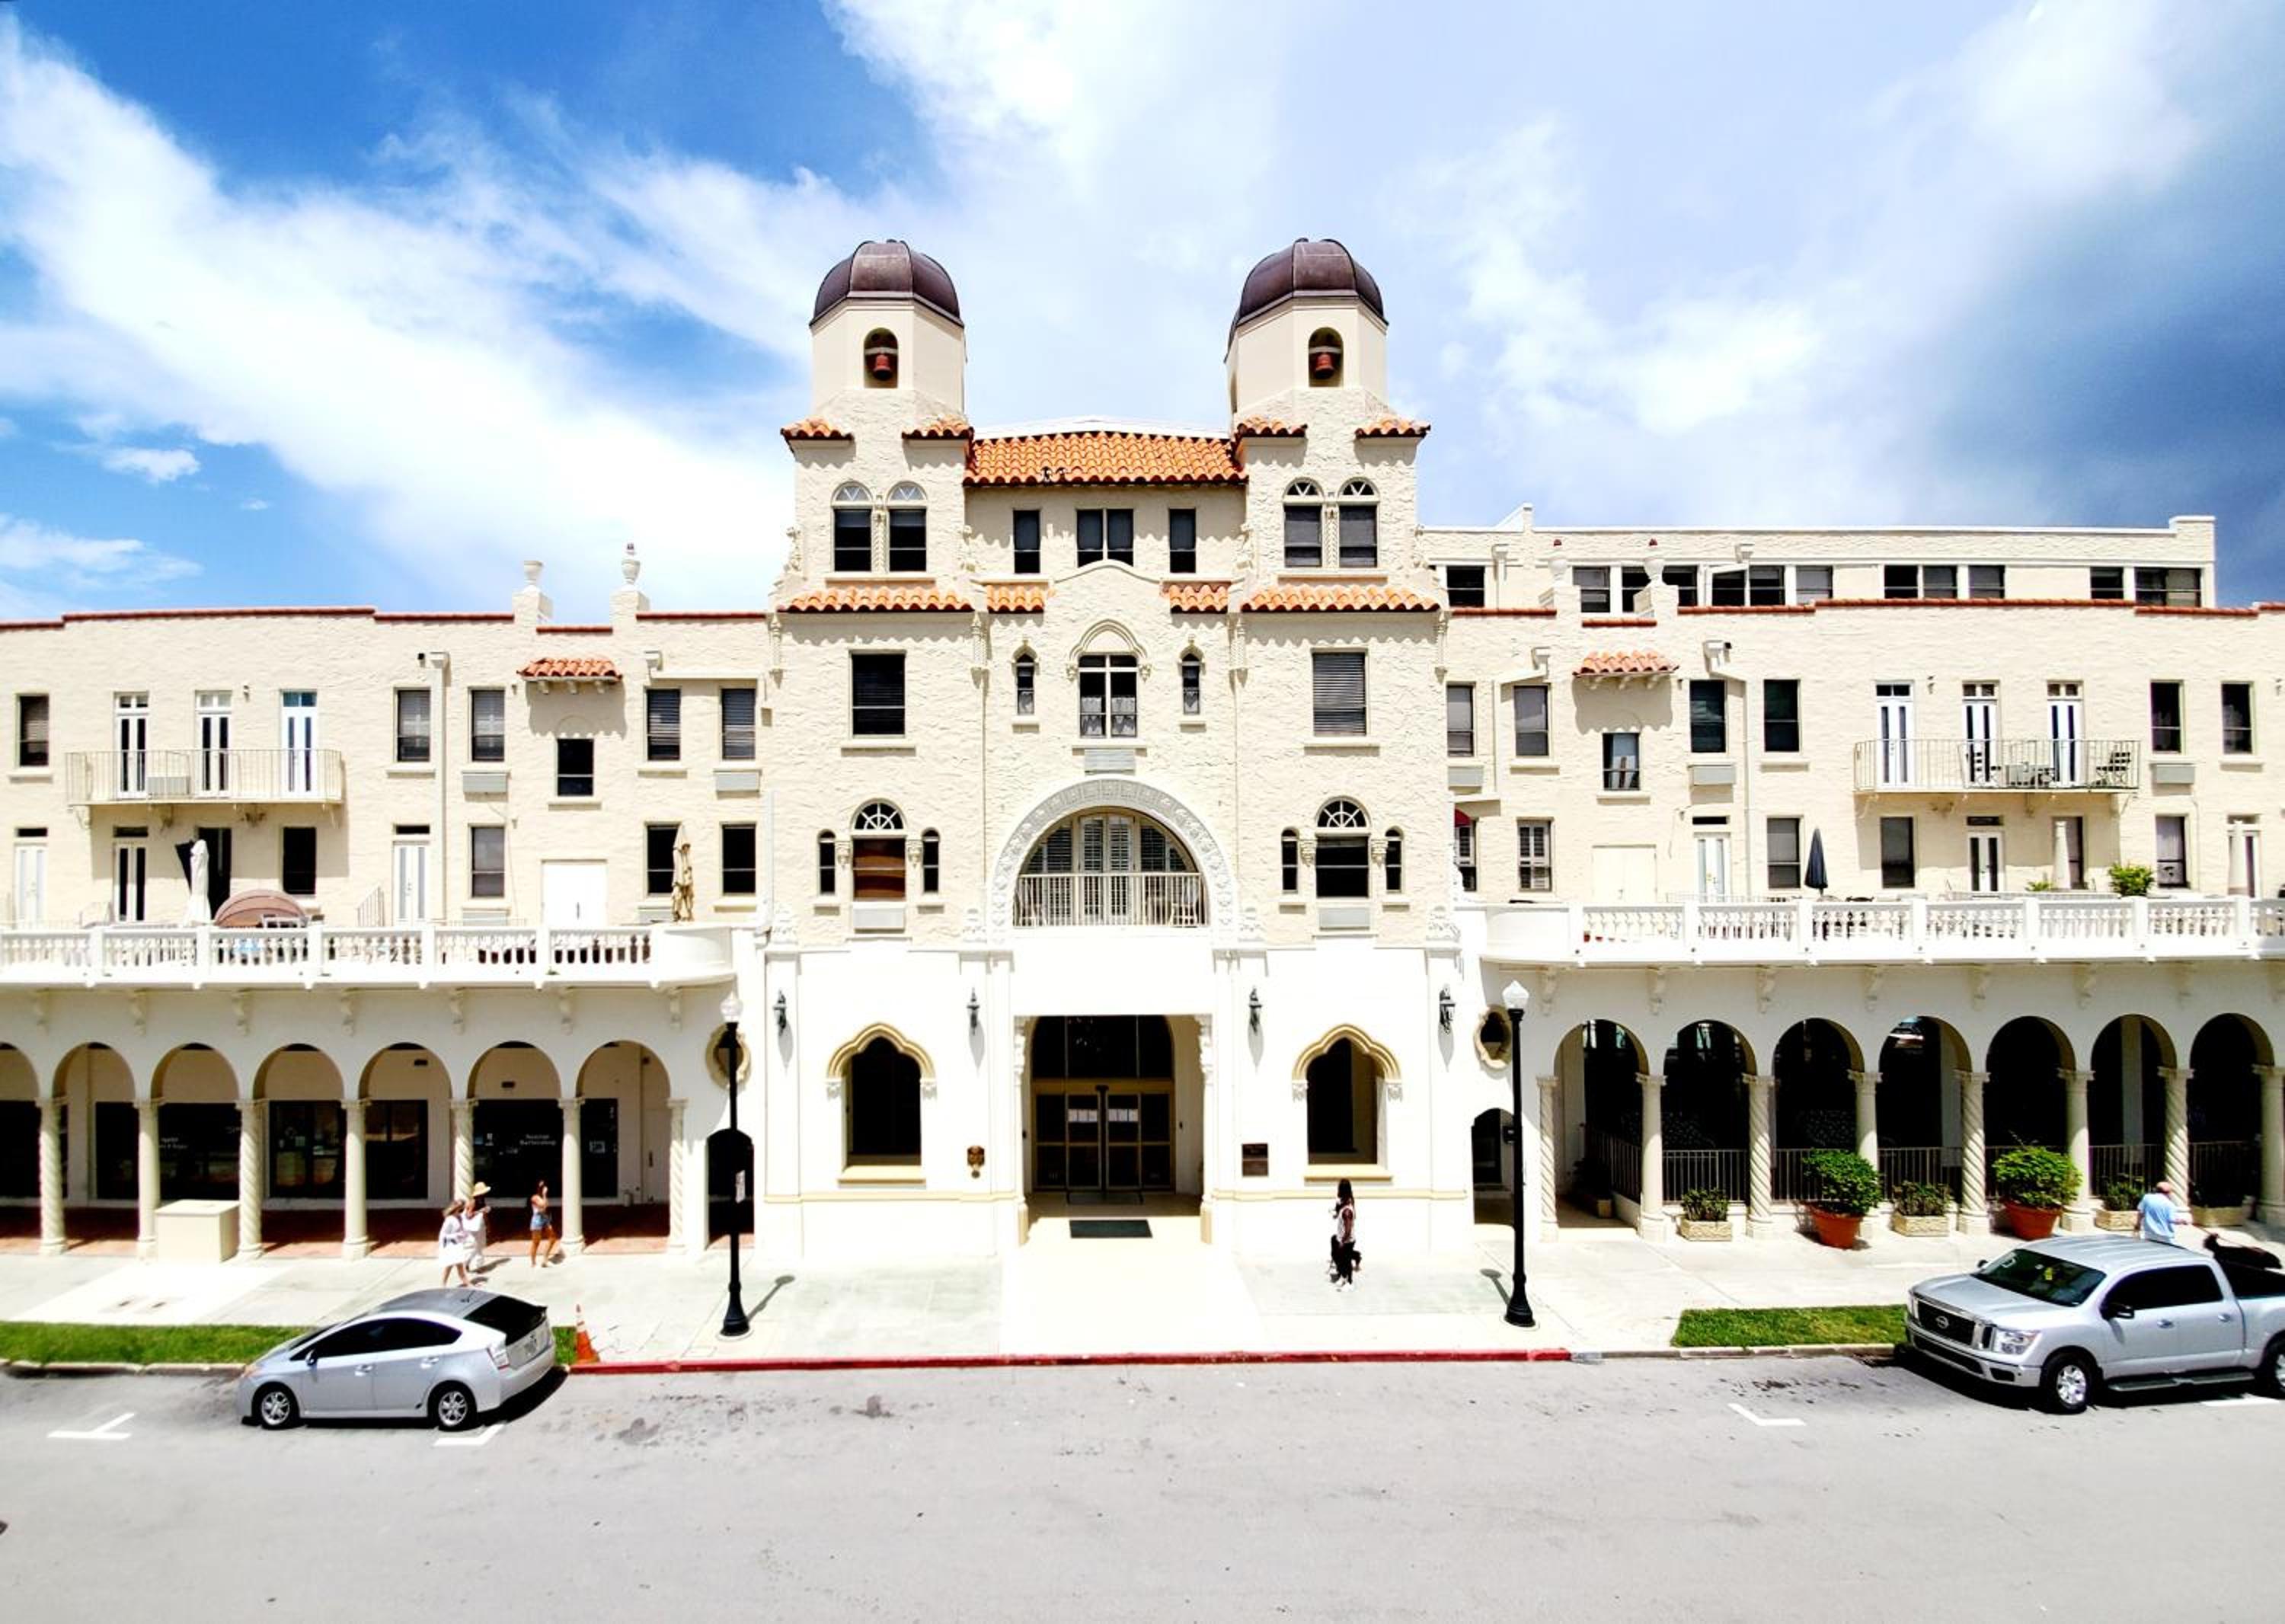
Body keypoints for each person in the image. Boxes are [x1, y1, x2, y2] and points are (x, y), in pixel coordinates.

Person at [1331, 1177, 1359, 1291]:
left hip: (1347, 1240)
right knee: (1343, 1260)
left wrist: (1342, 1241)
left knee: (1347, 1262)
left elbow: (1348, 1229)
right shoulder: (1345, 1203)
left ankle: (1350, 1283)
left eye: (1339, 1189)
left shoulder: (1347, 1211)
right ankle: (1343, 1278)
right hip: (1342, 1238)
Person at [438, 1199, 471, 1287]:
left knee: (456, 1266)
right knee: (452, 1266)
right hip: (450, 1246)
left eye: (463, 1210)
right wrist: (457, 1235)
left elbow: (462, 1229)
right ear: (456, 1209)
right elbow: (443, 1235)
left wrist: (464, 1234)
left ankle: (444, 1285)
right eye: (461, 1210)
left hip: (456, 1245)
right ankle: (468, 1284)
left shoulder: (459, 1218)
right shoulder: (450, 1220)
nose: (462, 1212)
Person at [2138, 1179, 2183, 1245]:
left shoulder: (2147, 1198)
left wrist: (2137, 1225)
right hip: (2165, 1236)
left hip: (2149, 1234)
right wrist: (2182, 1221)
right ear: (2168, 1192)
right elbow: (2172, 1219)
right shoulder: (2170, 1204)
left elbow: (2140, 1213)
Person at [528, 1178, 557, 1268]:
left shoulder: (542, 1196)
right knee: (536, 1242)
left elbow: (546, 1206)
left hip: (545, 1218)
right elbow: (543, 1205)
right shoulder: (534, 1197)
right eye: (540, 1185)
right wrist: (544, 1194)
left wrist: (544, 1196)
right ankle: (533, 1262)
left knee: (553, 1238)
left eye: (543, 1185)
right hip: (537, 1221)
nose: (542, 1187)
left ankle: (545, 1259)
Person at [466, 1182, 491, 1272]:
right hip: (473, 1228)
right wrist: (480, 1211)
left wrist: (488, 1225)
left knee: (480, 1246)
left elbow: (484, 1215)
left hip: (480, 1226)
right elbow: (468, 1215)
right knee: (475, 1247)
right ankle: (469, 1263)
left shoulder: (482, 1201)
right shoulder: (473, 1202)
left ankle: (477, 1265)